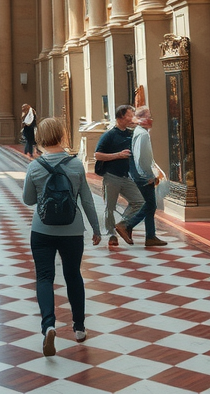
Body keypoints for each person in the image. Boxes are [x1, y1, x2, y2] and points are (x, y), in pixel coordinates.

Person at [22, 117, 101, 357]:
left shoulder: (35, 167)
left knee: (45, 277)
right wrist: (96, 229)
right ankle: (78, 328)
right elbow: (86, 199)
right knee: (73, 275)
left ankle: (48, 326)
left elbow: (28, 200)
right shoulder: (76, 165)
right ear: (62, 135)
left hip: (42, 230)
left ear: (40, 138)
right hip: (72, 230)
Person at [93, 104, 147, 247]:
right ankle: (112, 235)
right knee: (109, 207)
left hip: (126, 176)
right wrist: (118, 155)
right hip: (111, 177)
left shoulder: (131, 133)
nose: (132, 118)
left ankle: (123, 224)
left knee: (140, 202)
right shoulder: (109, 135)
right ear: (121, 117)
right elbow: (97, 155)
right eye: (129, 115)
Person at [129, 107, 168, 248]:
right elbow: (142, 158)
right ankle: (127, 225)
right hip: (144, 176)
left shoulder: (141, 132)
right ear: (142, 119)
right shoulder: (143, 134)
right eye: (149, 116)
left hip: (142, 175)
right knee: (150, 204)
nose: (151, 119)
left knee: (151, 205)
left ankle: (150, 235)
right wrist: (149, 176)